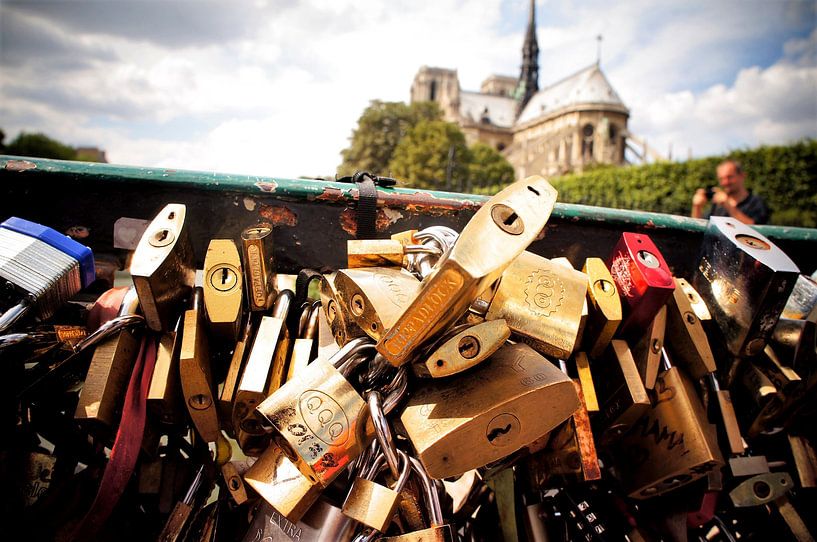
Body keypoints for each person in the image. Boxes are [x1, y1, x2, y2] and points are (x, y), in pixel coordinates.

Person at [691, 159, 770, 225]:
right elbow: (699, 230)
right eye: (721, 179)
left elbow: (757, 231)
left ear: (742, 176)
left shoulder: (756, 202)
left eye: (730, 177)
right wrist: (697, 207)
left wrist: (728, 205)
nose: (725, 182)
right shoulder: (717, 205)